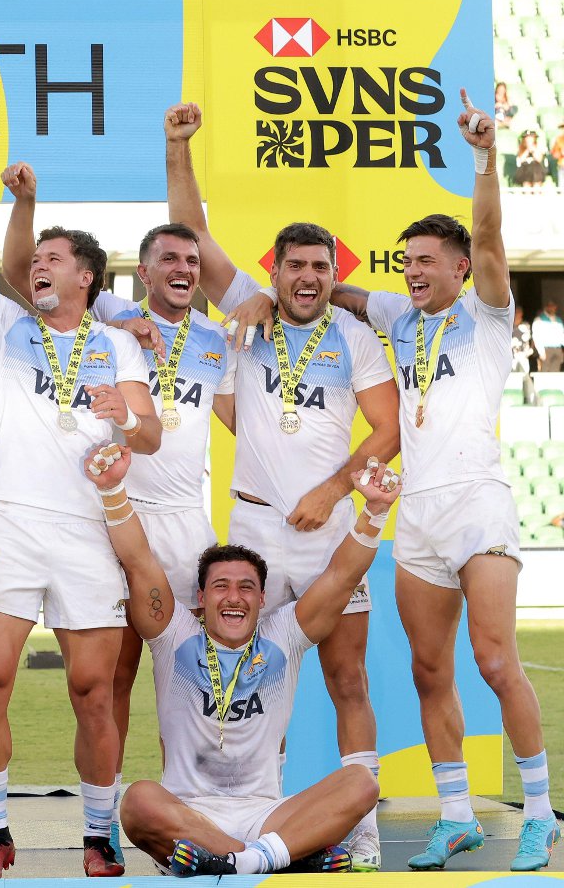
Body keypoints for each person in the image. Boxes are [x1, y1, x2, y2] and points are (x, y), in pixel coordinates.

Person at [164, 101, 401, 871]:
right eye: (294, 266)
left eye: (320, 267)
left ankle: (360, 830)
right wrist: (179, 148)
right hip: (257, 530)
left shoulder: (357, 337)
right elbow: (191, 235)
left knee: (348, 676)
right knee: (251, 675)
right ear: (274, 271)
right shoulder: (246, 313)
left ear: (336, 275)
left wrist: (335, 490)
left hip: (328, 529)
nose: (307, 278)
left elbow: (389, 428)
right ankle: (256, 818)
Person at [326, 90, 557, 871]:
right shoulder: (398, 314)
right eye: (406, 263)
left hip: (477, 502)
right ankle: (455, 814)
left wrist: (486, 156)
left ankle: (539, 810)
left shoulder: (489, 313)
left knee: (495, 661)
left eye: (426, 261)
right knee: (431, 669)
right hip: (417, 512)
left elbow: (489, 232)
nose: (413, 273)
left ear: (461, 268)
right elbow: (341, 293)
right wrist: (299, 286)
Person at [0, 152, 162, 877]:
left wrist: (127, 422)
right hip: (9, 521)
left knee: (93, 694)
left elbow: (150, 430)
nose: (38, 266)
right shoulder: (6, 328)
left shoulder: (116, 344)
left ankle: (99, 836)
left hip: (87, 531)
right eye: (34, 260)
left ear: (87, 277)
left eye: (53, 258)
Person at [88, 443, 396, 877]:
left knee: (361, 784)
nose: (234, 597)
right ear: (200, 597)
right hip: (188, 816)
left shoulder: (283, 633)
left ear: (262, 599)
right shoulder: (173, 633)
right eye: (221, 586)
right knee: (138, 801)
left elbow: (341, 575)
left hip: (267, 815)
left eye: (246, 587)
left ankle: (239, 862)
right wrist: (113, 492)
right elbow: (138, 561)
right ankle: (275, 859)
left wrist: (376, 511)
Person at [87, 220, 238, 865]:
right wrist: (122, 328)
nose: (183, 269)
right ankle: (105, 823)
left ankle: (194, 815)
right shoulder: (110, 321)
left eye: (192, 260)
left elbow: (243, 420)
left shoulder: (220, 341)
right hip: (118, 512)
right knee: (113, 675)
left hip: (184, 522)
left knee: (189, 677)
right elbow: (27, 280)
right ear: (142, 272)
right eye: (168, 259)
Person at [534, 299, 564, 372]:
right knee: (545, 372)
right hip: (546, 349)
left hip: (558, 349)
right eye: (550, 306)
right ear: (546, 307)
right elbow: (536, 336)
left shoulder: (558, 320)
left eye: (553, 306)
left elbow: (561, 335)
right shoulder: (539, 319)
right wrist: (541, 350)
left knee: (555, 372)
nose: (552, 308)